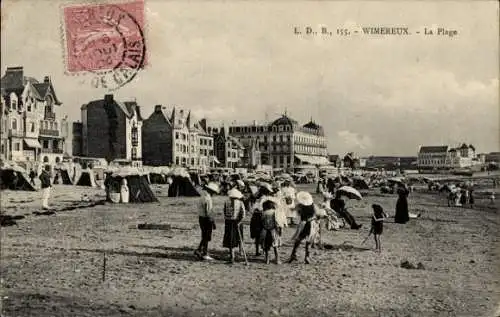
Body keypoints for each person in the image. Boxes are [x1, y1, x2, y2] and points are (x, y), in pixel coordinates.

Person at [288, 191, 319, 264]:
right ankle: (307, 257)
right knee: (309, 240)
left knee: (299, 238)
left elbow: (295, 211)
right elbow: (317, 215)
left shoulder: (300, 206)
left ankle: (293, 254)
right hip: (311, 223)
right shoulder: (313, 206)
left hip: (303, 223)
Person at [195, 182, 219, 261]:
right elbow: (208, 212)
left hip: (201, 218)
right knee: (207, 236)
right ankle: (203, 252)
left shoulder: (202, 196)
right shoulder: (207, 198)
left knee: (204, 236)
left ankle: (200, 250)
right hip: (206, 219)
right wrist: (213, 222)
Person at [223, 188, 246, 264]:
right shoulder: (240, 203)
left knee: (230, 239)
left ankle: (232, 256)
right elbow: (243, 214)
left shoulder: (226, 202)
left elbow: (224, 212)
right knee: (239, 237)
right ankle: (240, 252)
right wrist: (239, 222)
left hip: (229, 222)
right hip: (237, 222)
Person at [250, 183, 273, 256]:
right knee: (264, 234)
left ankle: (257, 250)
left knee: (257, 235)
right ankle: (263, 250)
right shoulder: (265, 198)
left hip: (255, 216)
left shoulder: (256, 197)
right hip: (262, 216)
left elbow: (254, 208)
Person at [260, 199, 282, 264]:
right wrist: (279, 230)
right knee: (275, 246)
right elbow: (277, 222)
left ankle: (267, 260)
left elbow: (262, 221)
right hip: (273, 231)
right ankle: (277, 259)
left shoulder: (264, 213)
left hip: (265, 230)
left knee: (267, 247)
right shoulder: (275, 212)